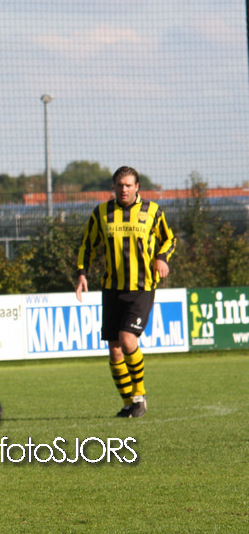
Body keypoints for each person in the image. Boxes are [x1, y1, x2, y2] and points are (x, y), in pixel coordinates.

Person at [75, 166, 176, 418]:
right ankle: (128, 402)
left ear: (137, 187)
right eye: (120, 185)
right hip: (112, 288)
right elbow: (87, 244)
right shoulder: (101, 213)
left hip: (141, 287)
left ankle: (140, 396)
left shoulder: (152, 211)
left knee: (127, 338)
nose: (124, 189)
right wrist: (82, 273)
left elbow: (169, 239)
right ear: (113, 187)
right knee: (115, 349)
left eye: (129, 185)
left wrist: (162, 257)